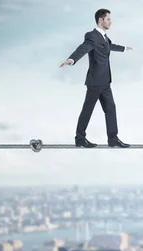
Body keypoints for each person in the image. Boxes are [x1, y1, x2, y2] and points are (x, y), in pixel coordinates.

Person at [60, 8, 133, 148]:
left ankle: (113, 139)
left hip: (105, 82)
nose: (110, 22)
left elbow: (109, 46)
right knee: (88, 110)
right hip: (95, 82)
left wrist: (124, 48)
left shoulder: (104, 37)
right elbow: (83, 48)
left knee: (111, 108)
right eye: (108, 19)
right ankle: (80, 139)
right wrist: (72, 59)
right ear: (100, 20)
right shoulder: (91, 36)